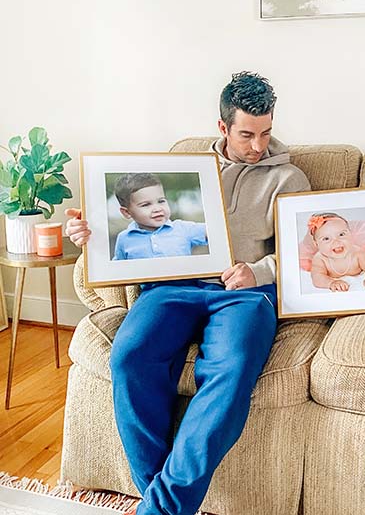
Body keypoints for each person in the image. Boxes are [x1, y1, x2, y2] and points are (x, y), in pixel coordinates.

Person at [66, 71, 311, 515]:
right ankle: (165, 500)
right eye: (246, 134)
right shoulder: (183, 168)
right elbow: (138, 232)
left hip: (244, 293)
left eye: (266, 132)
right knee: (129, 356)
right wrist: (92, 236)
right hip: (172, 286)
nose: (258, 145)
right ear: (222, 127)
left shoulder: (289, 178)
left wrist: (257, 272)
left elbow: (301, 253)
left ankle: (158, 508)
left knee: (232, 368)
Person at [111, 172, 208, 260]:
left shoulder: (183, 229)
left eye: (161, 201)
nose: (157, 209)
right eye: (146, 205)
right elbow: (118, 270)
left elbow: (216, 231)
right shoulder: (124, 238)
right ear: (127, 213)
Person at [298, 212, 365, 292]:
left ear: (350, 234)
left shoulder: (357, 253)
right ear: (316, 244)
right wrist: (331, 283)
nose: (336, 241)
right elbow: (317, 277)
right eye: (326, 238)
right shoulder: (320, 259)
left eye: (341, 234)